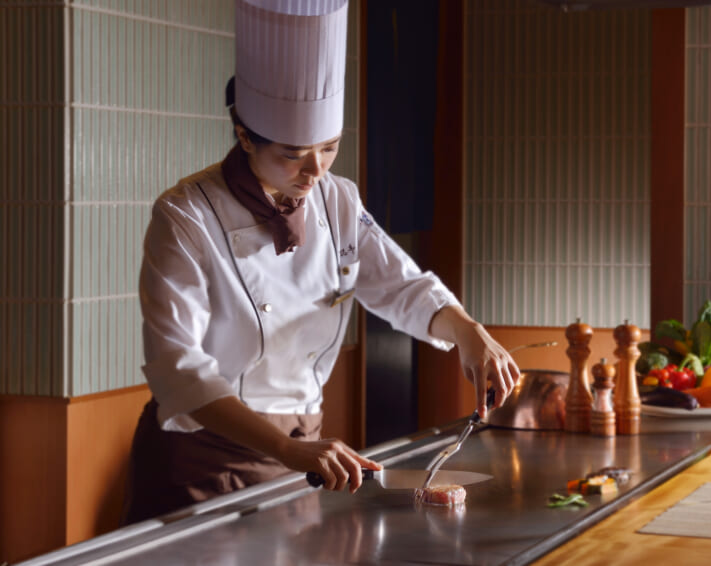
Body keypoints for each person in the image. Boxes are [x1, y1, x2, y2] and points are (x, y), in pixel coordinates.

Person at [121, 0, 518, 525]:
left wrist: (469, 332)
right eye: (292, 153)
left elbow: (402, 287)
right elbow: (179, 372)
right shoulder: (186, 216)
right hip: (204, 461)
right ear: (244, 135)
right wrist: (286, 451)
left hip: (307, 452)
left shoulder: (337, 200)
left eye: (329, 148)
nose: (315, 170)